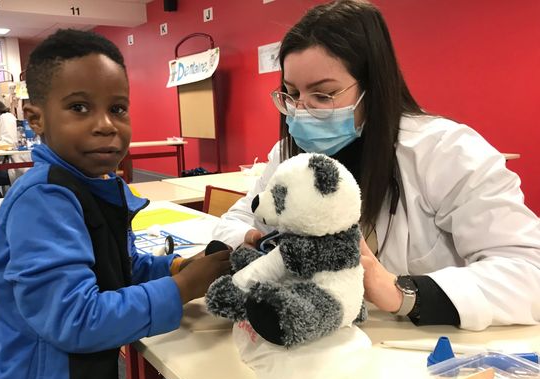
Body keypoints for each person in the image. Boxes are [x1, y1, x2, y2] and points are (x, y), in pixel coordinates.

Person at [213, 0, 540, 331]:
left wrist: (400, 292)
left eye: (324, 96)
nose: (302, 111)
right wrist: (259, 242)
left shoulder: (445, 152)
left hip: (423, 349)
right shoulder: (289, 154)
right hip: (318, 342)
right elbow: (235, 221)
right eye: (291, 93)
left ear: (373, 87)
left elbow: (529, 271)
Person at [0, 29, 231, 379]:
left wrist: (172, 269)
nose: (105, 124)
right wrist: (183, 288)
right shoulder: (45, 198)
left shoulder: (89, 183)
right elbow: (75, 318)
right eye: (79, 107)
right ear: (35, 118)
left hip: (76, 375)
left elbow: (112, 268)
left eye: (117, 108)